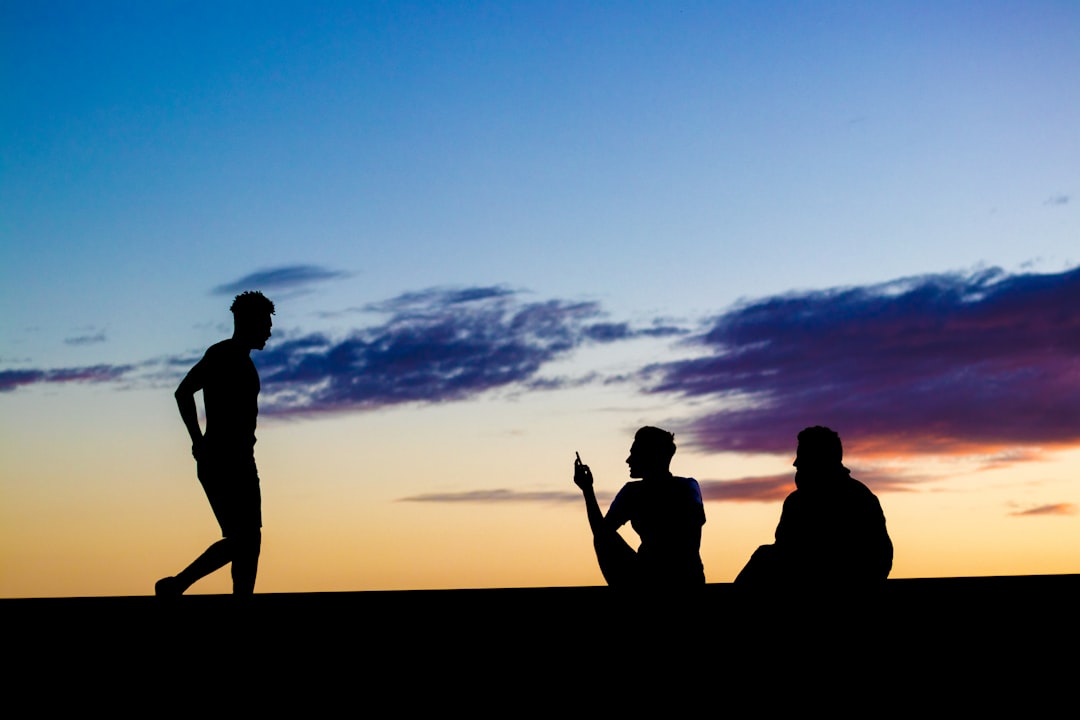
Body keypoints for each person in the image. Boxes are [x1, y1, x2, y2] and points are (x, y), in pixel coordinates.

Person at [155, 291, 274, 596]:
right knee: (243, 539)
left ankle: (238, 597)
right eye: (264, 323)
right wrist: (198, 441)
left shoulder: (245, 362)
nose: (269, 330)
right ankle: (176, 585)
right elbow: (183, 392)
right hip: (221, 460)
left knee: (250, 540)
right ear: (248, 322)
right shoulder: (222, 355)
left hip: (243, 460)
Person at [735, 426, 892, 592]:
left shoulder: (857, 499)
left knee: (764, 557)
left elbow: (878, 559)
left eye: (802, 456)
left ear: (819, 460)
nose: (795, 463)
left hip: (842, 583)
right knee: (765, 556)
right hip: (811, 578)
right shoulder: (797, 501)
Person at [573, 426, 706, 587]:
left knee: (602, 537)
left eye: (634, 453)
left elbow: (601, 534)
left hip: (665, 578)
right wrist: (587, 489)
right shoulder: (688, 487)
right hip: (676, 576)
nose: (628, 460)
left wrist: (588, 490)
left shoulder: (636, 492)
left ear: (650, 456)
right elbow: (603, 533)